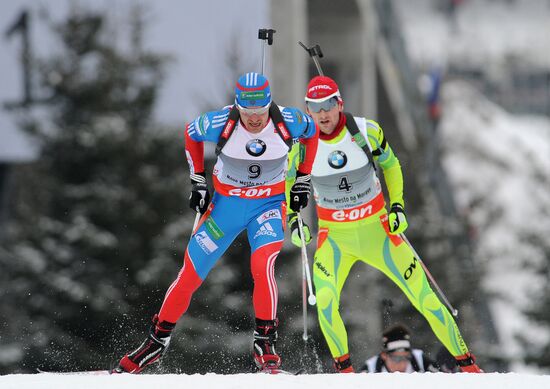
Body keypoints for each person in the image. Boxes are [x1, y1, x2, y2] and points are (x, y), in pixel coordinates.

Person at [114, 72, 319, 373]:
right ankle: (156, 343)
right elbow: (190, 134)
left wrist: (302, 179)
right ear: (238, 107)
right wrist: (197, 180)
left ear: (268, 105)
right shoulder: (220, 122)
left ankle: (265, 341)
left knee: (263, 264)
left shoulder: (288, 120)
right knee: (189, 275)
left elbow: (312, 133)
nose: (254, 120)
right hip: (225, 208)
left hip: (268, 206)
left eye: (260, 113)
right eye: (247, 113)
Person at [286, 75, 482, 373]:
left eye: (328, 105)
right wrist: (293, 221)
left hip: (380, 232)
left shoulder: (366, 131)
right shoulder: (301, 146)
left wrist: (398, 207)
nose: (323, 113)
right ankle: (345, 373)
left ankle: (469, 367)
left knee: (425, 298)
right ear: (308, 110)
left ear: (339, 104)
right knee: (324, 300)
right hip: (335, 238)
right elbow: (289, 184)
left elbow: (391, 165)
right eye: (315, 107)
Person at [358, 324, 439, 373]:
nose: (402, 364)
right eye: (397, 359)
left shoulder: (419, 360)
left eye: (406, 358)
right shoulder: (371, 368)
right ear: (384, 355)